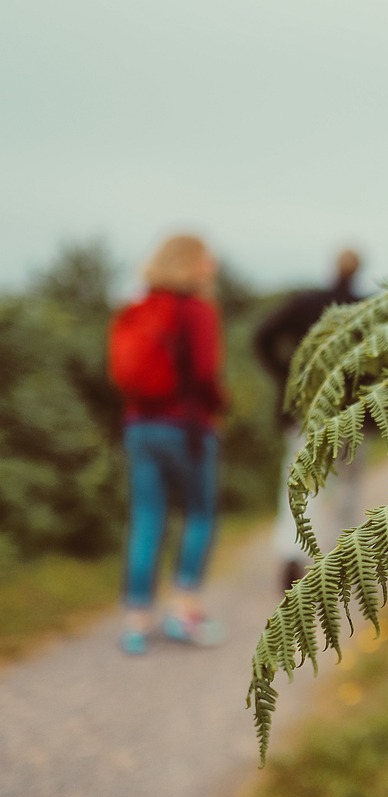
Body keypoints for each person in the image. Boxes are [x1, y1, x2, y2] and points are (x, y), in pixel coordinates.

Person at [113, 233, 229, 655]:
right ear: (191, 263)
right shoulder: (196, 310)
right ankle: (184, 612)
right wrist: (222, 406)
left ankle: (136, 621)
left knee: (146, 518)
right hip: (188, 427)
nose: (212, 265)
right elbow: (204, 373)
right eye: (207, 258)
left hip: (140, 427)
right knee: (199, 513)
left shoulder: (138, 306)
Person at [253, 248, 366, 591]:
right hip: (356, 411)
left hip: (306, 409)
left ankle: (292, 555)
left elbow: (262, 337)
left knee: (301, 487)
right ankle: (342, 559)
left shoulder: (304, 303)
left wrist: (286, 375)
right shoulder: (368, 308)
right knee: (348, 486)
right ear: (359, 269)